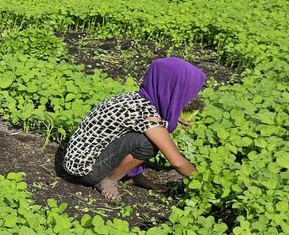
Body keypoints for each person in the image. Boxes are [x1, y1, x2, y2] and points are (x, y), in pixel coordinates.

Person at [62, 57, 207, 200]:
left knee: (146, 136)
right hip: (85, 171)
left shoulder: (135, 99)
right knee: (148, 143)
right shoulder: (148, 115)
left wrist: (173, 119)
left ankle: (133, 176)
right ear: (173, 89)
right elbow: (177, 162)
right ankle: (109, 180)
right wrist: (205, 182)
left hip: (77, 160)